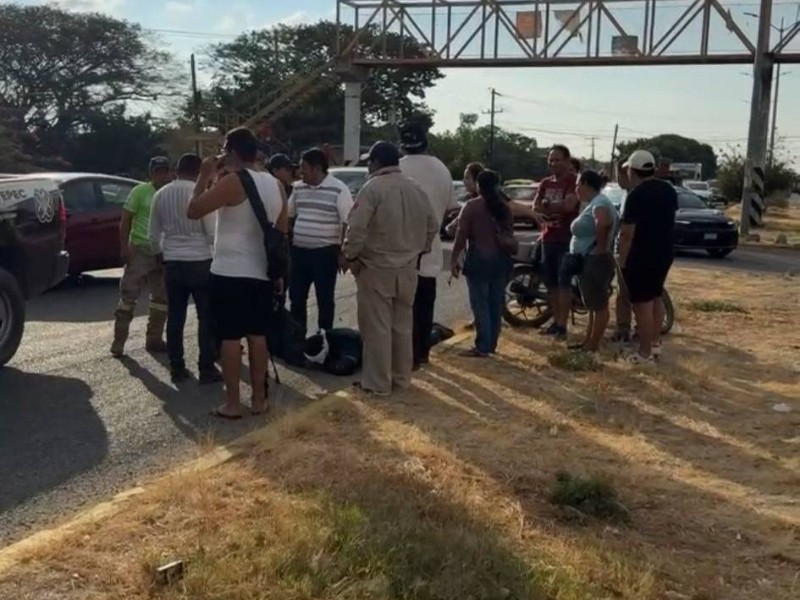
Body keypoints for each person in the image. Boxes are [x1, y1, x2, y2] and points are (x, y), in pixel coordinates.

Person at [187, 127, 288, 419]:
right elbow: (282, 232)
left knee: (230, 338)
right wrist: (279, 273)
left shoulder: (233, 182)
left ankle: (232, 403)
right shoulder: (276, 184)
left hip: (229, 272)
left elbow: (193, 210)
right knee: (258, 336)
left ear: (231, 152)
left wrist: (204, 176)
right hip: (262, 272)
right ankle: (259, 400)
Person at [343, 141, 439, 396]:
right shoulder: (416, 188)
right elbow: (432, 225)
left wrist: (351, 255)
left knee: (377, 329)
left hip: (376, 267)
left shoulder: (373, 188)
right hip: (408, 267)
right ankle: (401, 379)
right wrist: (420, 250)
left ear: (375, 162)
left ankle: (377, 383)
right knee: (402, 327)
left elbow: (356, 227)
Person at [148, 153, 222, 384]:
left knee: (176, 316)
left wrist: (160, 256)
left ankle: (177, 367)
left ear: (177, 170)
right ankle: (206, 367)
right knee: (206, 317)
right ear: (200, 171)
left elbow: (153, 234)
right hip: (201, 261)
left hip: (172, 261)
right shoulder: (202, 194)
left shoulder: (161, 194)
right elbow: (212, 233)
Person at [397, 122, 459, 369]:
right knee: (424, 306)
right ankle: (421, 353)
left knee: (401, 309)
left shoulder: (397, 168)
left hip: (399, 250)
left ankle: (404, 356)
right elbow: (451, 208)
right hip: (430, 249)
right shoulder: (442, 169)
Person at [616, 150, 678, 363]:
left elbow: (627, 234)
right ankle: (654, 343)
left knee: (642, 304)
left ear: (633, 171)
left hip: (641, 254)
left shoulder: (636, 195)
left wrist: (622, 261)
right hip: (664, 252)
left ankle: (644, 353)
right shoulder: (668, 190)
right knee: (656, 297)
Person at [111, 156, 173, 358]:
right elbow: (126, 220)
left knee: (161, 297)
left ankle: (154, 339)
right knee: (128, 296)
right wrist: (124, 247)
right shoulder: (139, 192)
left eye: (165, 171)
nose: (162, 175)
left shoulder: (171, 193)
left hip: (162, 252)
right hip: (140, 249)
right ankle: (119, 342)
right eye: (158, 172)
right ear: (151, 174)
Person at [288, 147, 354, 333]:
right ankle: (298, 340)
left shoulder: (338, 189)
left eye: (304, 167)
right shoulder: (298, 188)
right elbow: (289, 216)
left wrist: (342, 253)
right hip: (299, 253)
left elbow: (347, 222)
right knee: (296, 298)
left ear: (317, 168)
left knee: (325, 300)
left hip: (325, 254)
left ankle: (325, 339)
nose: (300, 171)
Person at [450, 169, 515, 357]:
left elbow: (461, 235)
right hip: (501, 260)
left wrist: (454, 259)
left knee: (480, 305)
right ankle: (491, 344)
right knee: (495, 304)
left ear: (479, 185)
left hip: (479, 260)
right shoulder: (504, 207)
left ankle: (483, 345)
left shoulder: (472, 206)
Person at [564, 170, 618, 353]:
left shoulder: (599, 203)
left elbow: (603, 222)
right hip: (590, 260)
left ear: (586, 184)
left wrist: (600, 248)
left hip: (595, 261)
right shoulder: (596, 202)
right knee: (593, 305)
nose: (576, 189)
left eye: (578, 185)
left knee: (599, 306)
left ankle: (593, 346)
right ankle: (588, 342)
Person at [533, 145, 580, 340]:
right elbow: (535, 207)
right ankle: (555, 321)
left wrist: (547, 205)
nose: (553, 163)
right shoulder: (545, 183)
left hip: (566, 239)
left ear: (567, 161)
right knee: (550, 283)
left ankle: (562, 325)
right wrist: (550, 207)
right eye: (551, 160)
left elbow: (569, 205)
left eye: (557, 159)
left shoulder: (573, 181)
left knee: (563, 283)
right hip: (548, 238)